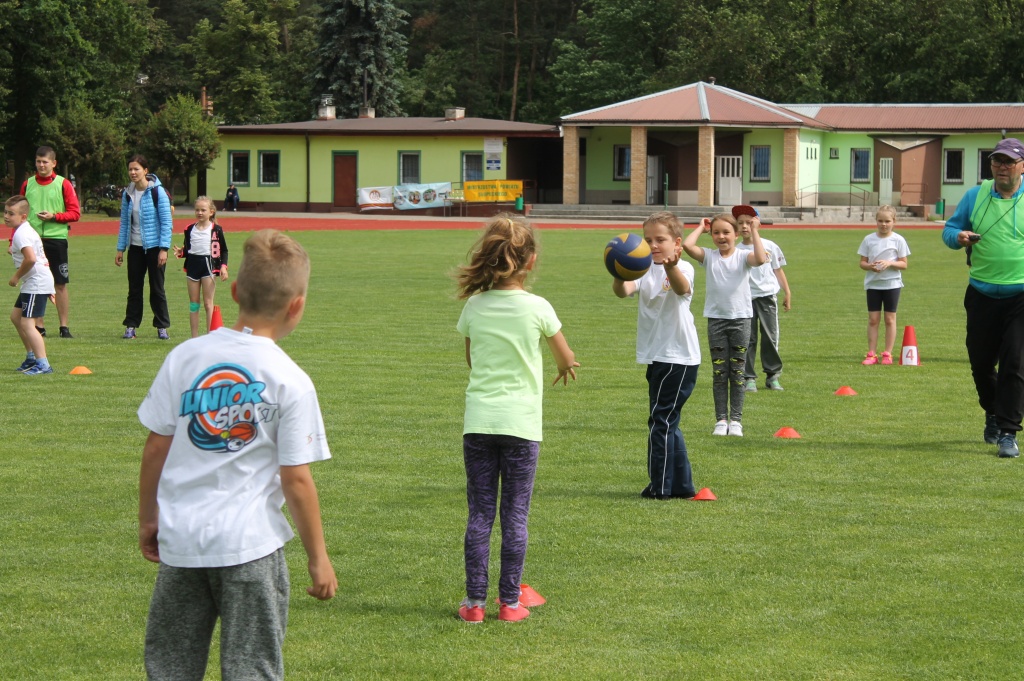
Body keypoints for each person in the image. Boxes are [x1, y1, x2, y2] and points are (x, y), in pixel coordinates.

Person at [137, 229, 337, 679]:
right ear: (297, 305)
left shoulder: (186, 357)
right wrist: (318, 557)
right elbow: (297, 479)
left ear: (233, 291)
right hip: (251, 546)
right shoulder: (290, 379)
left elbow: (155, 447)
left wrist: (149, 518)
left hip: (183, 542)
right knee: (252, 668)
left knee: (170, 665)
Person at [454, 214, 579, 623]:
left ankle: (474, 604)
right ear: (530, 261)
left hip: (479, 423)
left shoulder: (474, 304)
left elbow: (472, 358)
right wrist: (564, 366)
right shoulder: (538, 307)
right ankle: (509, 604)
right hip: (521, 426)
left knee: (479, 515)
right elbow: (565, 356)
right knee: (515, 517)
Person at [942, 137, 1024, 458]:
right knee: (980, 362)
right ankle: (991, 412)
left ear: (1022, 166)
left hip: (1020, 296)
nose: (1002, 166)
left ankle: (1008, 431)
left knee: (1015, 363)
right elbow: (949, 230)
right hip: (981, 293)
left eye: (1008, 161)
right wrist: (958, 237)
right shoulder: (975, 195)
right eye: (996, 161)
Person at [612, 211, 700, 500]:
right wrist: (618, 269)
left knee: (660, 421)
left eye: (660, 239)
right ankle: (683, 486)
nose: (653, 245)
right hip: (657, 356)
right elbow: (623, 291)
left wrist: (671, 266)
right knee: (667, 421)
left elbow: (681, 288)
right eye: (648, 239)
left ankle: (660, 487)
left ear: (677, 243)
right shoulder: (644, 268)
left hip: (678, 357)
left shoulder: (683, 268)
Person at [682, 213, 767, 437]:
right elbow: (688, 246)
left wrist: (755, 230)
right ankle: (721, 420)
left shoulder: (743, 256)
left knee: (737, 372)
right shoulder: (709, 257)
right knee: (719, 372)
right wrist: (701, 227)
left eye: (727, 232)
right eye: (716, 232)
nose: (721, 236)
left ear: (737, 235)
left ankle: (736, 421)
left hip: (740, 320)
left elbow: (760, 259)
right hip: (716, 320)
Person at [20, 145, 80, 339]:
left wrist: (54, 216)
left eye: (45, 162)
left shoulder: (63, 184)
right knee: (35, 283)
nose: (41, 165)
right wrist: (14, 239)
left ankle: (64, 326)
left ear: (54, 163)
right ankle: (39, 325)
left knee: (60, 283)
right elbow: (18, 213)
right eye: (38, 161)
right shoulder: (27, 184)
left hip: (56, 239)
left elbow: (75, 213)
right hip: (32, 240)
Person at [733, 205, 791, 392]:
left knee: (770, 337)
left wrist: (787, 292)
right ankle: (749, 377)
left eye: (749, 223)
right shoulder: (736, 249)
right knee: (747, 339)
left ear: (757, 223)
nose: (744, 227)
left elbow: (777, 270)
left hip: (767, 297)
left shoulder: (770, 246)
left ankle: (772, 375)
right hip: (745, 299)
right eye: (740, 223)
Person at [115, 155, 172, 340]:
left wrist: (164, 249)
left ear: (145, 171)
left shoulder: (158, 192)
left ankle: (162, 327)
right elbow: (124, 223)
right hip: (135, 248)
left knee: (157, 288)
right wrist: (120, 248)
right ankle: (131, 326)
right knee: (134, 289)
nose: (133, 172)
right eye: (130, 169)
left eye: (136, 169)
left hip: (155, 247)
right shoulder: (128, 193)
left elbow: (166, 222)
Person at [6, 195, 55, 375]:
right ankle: (31, 356)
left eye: (11, 214)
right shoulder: (22, 230)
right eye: (5, 212)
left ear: (23, 216)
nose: (6, 216)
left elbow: (31, 259)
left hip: (36, 282)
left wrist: (16, 277)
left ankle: (43, 365)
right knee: (16, 317)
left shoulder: (22, 234)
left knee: (28, 324)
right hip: (34, 281)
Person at [857, 205, 909, 366]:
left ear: (894, 221)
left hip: (892, 284)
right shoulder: (869, 239)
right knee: (873, 319)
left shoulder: (898, 240)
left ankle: (887, 353)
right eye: (880, 221)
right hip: (873, 284)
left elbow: (904, 264)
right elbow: (862, 263)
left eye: (887, 221)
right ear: (876, 221)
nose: (883, 224)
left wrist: (889, 263)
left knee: (889, 319)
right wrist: (871, 266)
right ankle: (871, 353)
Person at [173, 196, 229, 338]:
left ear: (211, 212)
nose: (199, 213)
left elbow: (224, 250)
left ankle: (210, 337)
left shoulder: (216, 229)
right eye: (197, 210)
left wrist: (223, 267)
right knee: (194, 304)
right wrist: (182, 252)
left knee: (208, 304)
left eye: (203, 210)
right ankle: (194, 338)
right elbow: (189, 248)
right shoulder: (189, 229)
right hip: (193, 266)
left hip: (208, 266)